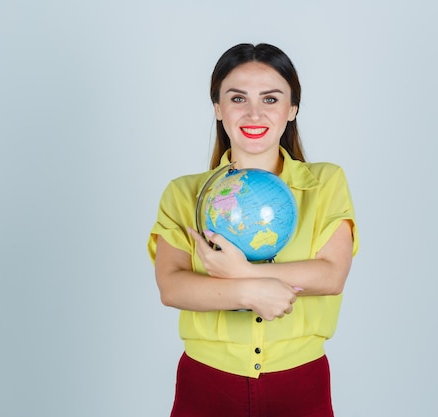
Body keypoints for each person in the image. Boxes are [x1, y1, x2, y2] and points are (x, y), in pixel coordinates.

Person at [147, 43, 359, 417]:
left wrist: (240, 270)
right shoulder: (184, 193)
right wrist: (252, 290)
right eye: (238, 97)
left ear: (292, 109)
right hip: (207, 380)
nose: (254, 112)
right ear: (218, 107)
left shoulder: (325, 182)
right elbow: (172, 286)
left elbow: (331, 275)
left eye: (271, 98)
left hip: (301, 380)